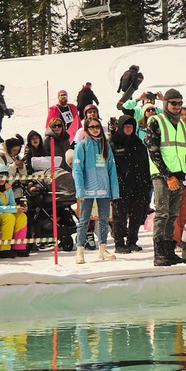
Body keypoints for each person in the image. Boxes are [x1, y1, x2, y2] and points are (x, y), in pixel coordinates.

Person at [147, 89, 186, 265]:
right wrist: (168, 175)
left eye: (180, 103)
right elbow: (153, 150)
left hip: (179, 173)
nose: (177, 107)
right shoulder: (156, 121)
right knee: (162, 213)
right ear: (165, 104)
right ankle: (159, 252)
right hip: (162, 175)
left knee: (173, 214)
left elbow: (185, 152)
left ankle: (169, 250)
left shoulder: (182, 124)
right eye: (173, 103)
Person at [71, 107, 118, 260]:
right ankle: (80, 251)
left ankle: (103, 249)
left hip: (104, 189)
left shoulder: (106, 145)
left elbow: (112, 169)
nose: (95, 129)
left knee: (104, 220)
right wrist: (80, 189)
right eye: (92, 127)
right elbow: (77, 170)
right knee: (84, 220)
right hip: (87, 190)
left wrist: (114, 191)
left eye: (97, 127)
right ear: (87, 128)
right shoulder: (82, 146)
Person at [111, 111, 152, 254]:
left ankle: (132, 241)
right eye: (126, 126)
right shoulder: (113, 145)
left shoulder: (139, 144)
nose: (128, 129)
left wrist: (147, 184)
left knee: (137, 216)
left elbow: (146, 165)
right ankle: (119, 243)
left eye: (131, 126)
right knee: (119, 217)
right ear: (120, 127)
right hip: (121, 187)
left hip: (139, 186)